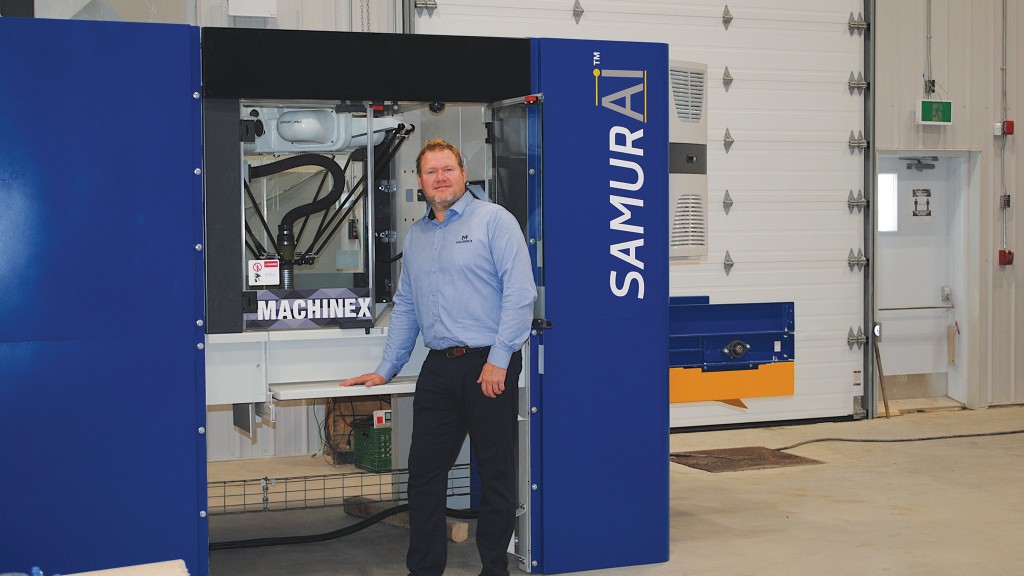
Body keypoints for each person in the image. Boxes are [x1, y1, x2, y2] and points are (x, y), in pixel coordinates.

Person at [342, 139, 537, 576]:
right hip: (439, 367)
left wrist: (500, 359)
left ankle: (494, 568)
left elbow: (520, 295)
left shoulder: (494, 221)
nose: (441, 178)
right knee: (424, 475)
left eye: (448, 169)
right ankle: (425, 569)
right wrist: (385, 368)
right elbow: (407, 306)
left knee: (495, 472)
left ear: (463, 174)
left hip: (488, 364)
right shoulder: (418, 236)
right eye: (431, 172)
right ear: (421, 181)